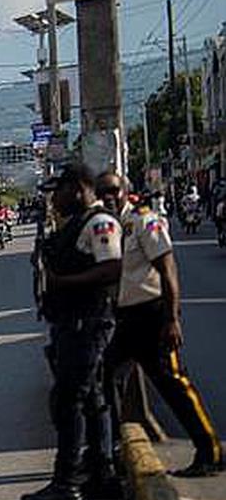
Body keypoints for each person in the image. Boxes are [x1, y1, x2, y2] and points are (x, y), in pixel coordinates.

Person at [97, 174, 222, 477]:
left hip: (152, 316)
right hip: (127, 319)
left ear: (125, 191)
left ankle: (210, 451)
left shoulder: (144, 220)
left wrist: (172, 318)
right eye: (103, 192)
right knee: (107, 374)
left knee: (175, 384)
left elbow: (168, 269)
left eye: (114, 190)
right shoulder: (114, 227)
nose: (109, 196)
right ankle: (112, 450)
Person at [22, 163, 123, 500]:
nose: (56, 200)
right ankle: (102, 473)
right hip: (73, 323)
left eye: (60, 192)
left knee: (67, 401)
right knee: (92, 399)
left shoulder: (100, 223)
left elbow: (112, 268)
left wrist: (65, 283)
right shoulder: (76, 224)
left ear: (79, 188)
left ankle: (65, 482)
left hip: (87, 323)